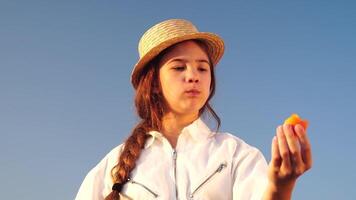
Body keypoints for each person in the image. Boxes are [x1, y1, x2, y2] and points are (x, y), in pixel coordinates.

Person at [75, 19, 312, 200]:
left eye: (202, 68)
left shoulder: (235, 154)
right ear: (154, 83)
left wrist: (280, 186)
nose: (193, 77)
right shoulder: (112, 165)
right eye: (179, 68)